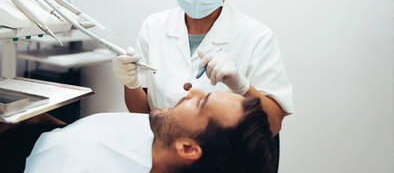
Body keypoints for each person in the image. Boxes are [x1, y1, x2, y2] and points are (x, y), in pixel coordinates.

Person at [112, 0, 293, 136]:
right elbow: (142, 115)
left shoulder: (258, 38)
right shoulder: (154, 27)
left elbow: (273, 125)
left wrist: (242, 86)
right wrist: (131, 83)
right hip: (162, 153)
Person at [24, 89, 275, 173]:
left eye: (201, 102)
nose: (192, 91)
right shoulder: (161, 134)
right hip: (40, 133)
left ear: (187, 148)